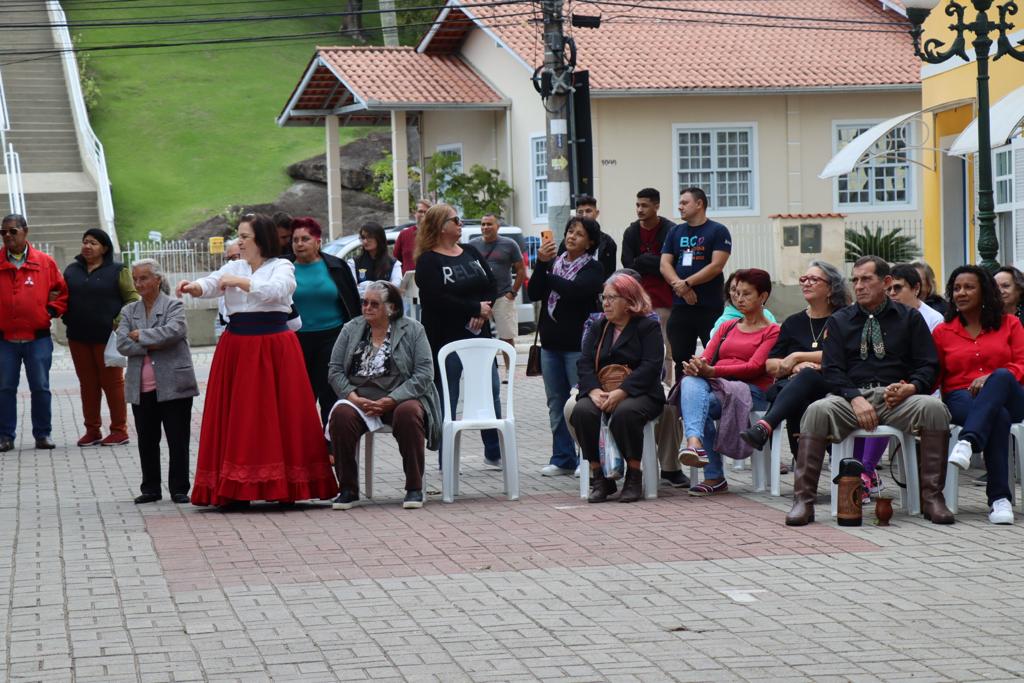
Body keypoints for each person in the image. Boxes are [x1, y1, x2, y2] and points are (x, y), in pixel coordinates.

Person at [177, 213, 338, 508]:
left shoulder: (282, 266)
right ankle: (237, 487)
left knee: (281, 413)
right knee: (241, 416)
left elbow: (277, 291)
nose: (239, 241)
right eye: (239, 236)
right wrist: (192, 286)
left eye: (244, 236)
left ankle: (287, 484)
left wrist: (240, 281)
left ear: (260, 239)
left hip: (274, 345)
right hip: (238, 346)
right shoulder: (233, 265)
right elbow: (211, 284)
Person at [786, 256, 954, 526]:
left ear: (886, 282)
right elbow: (832, 370)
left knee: (934, 409)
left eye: (866, 279)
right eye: (855, 280)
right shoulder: (840, 320)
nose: (859, 286)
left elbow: (928, 365)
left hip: (896, 398)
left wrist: (911, 387)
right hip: (851, 397)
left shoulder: (909, 318)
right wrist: (855, 398)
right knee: (816, 411)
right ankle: (803, 502)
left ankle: (932, 499)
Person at [326, 281, 441, 510]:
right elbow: (335, 370)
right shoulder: (351, 329)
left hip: (400, 397)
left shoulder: (414, 330)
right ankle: (347, 489)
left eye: (374, 304)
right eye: (364, 303)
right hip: (361, 400)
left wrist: (392, 400)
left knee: (409, 414)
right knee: (341, 415)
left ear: (392, 308)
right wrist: (353, 397)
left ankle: (414, 487)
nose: (367, 308)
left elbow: (424, 374)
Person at [414, 203, 503, 467]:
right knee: (447, 398)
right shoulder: (429, 260)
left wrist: (484, 308)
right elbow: (434, 298)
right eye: (456, 220)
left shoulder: (472, 251)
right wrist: (472, 307)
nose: (461, 223)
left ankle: (495, 451)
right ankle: (447, 459)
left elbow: (491, 283)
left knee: (491, 392)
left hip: (480, 337)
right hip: (446, 340)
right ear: (442, 227)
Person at [934, 265, 1024, 525]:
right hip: (961, 397)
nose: (961, 293)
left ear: (985, 292)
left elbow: (1020, 364)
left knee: (1003, 376)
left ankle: (968, 441)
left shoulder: (1011, 324)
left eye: (969, 287)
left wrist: (991, 378)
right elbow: (936, 373)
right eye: (956, 288)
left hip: (1012, 394)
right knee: (998, 416)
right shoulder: (943, 331)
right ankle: (999, 500)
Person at [677, 268, 779, 496]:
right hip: (719, 385)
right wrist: (697, 365)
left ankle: (713, 476)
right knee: (691, 383)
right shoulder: (727, 326)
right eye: (736, 293)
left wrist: (711, 371)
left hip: (753, 390)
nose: (739, 299)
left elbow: (755, 367)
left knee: (697, 402)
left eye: (746, 294)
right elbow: (707, 356)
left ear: (763, 297)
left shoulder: (772, 331)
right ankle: (694, 444)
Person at [571, 273, 665, 503]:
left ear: (629, 300)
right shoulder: (599, 327)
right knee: (582, 412)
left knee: (626, 413)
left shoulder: (647, 326)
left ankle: (634, 475)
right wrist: (593, 391)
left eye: (612, 298)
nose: (606, 303)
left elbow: (651, 366)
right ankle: (600, 477)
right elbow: (584, 363)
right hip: (601, 390)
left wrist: (622, 392)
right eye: (604, 297)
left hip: (640, 392)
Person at [740, 262, 849, 460]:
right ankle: (814, 459)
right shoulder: (793, 322)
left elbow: (840, 354)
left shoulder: (844, 318)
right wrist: (795, 366)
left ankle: (768, 428)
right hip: (796, 386)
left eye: (814, 279)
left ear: (831, 287)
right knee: (800, 390)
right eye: (803, 279)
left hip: (834, 382)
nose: (806, 283)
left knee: (803, 378)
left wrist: (797, 357)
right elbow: (771, 365)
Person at [116, 259, 198, 505]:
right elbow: (122, 343)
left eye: (143, 278)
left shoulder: (174, 305)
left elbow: (175, 332)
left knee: (177, 439)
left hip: (174, 384)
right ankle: (151, 488)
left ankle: (179, 488)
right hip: (141, 387)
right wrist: (153, 343)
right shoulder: (129, 311)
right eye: (136, 279)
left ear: (157, 279)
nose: (138, 284)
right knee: (147, 440)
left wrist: (141, 336)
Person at [528, 216, 604, 476]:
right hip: (550, 345)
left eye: (579, 234)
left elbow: (574, 291)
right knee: (556, 402)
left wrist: (548, 273)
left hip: (578, 347)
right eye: (570, 231)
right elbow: (534, 292)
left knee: (581, 402)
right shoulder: (554, 263)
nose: (571, 237)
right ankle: (563, 457)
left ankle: (589, 458)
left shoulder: (593, 268)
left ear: (589, 242)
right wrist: (541, 264)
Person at [63, 228, 140, 447]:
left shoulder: (118, 270)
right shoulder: (72, 270)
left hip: (108, 338)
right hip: (78, 336)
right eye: (85, 242)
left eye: (93, 243)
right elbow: (60, 295)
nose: (87, 246)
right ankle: (92, 430)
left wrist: (118, 321)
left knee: (113, 384)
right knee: (87, 385)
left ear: (104, 248)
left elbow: (132, 298)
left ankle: (119, 430)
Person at [0, 214, 68, 452]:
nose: (7, 236)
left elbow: (62, 292)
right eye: (3, 232)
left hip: (37, 338)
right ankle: (4, 436)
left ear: (25, 231)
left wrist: (50, 310)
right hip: (4, 340)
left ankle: (43, 434)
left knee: (40, 387)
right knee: (4, 388)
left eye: (12, 231)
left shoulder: (45, 262)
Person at [288, 216, 361, 424]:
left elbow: (353, 304)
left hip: (332, 339)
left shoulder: (336, 267)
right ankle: (303, 448)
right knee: (300, 398)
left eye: (305, 239)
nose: (299, 244)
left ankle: (331, 448)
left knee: (331, 395)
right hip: (296, 341)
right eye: (295, 240)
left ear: (318, 242)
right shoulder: (283, 268)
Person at [660, 187, 731, 378]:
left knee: (713, 358)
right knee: (681, 360)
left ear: (699, 204)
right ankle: (681, 402)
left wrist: (688, 283)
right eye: (680, 203)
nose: (680, 207)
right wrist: (681, 287)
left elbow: (716, 266)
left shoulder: (718, 231)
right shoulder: (675, 232)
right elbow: (664, 264)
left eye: (685, 202)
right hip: (681, 307)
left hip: (709, 308)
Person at [622, 188, 676, 382]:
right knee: (639, 349)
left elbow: (671, 264)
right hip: (638, 302)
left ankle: (666, 388)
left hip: (664, 300)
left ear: (656, 206)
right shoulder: (631, 232)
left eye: (644, 205)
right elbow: (628, 264)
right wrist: (656, 261)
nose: (640, 210)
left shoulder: (670, 230)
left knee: (666, 351)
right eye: (637, 205)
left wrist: (644, 260)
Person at [470, 213, 526, 381]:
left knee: (506, 336)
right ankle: (484, 370)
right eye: (483, 224)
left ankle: (510, 372)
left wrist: (513, 293)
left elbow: (521, 270)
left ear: (497, 227)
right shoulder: (473, 245)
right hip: (481, 299)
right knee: (479, 335)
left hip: (503, 296)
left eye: (489, 224)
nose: (485, 227)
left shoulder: (509, 244)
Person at [709, 271, 778, 338]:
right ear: (728, 291)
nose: (739, 297)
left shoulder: (768, 315)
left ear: (762, 296)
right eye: (734, 290)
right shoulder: (723, 323)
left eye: (746, 293)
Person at [348, 221, 401, 295]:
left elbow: (395, 289)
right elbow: (352, 289)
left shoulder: (394, 264)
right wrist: (384, 287)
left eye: (369, 237)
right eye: (363, 237)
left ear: (379, 238)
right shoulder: (353, 263)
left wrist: (364, 285)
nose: (365, 241)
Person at [887, 263, 944, 330]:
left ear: (916, 288)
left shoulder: (934, 319)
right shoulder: (883, 316)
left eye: (898, 287)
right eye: (889, 289)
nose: (892, 293)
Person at [573, 195, 618, 276]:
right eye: (580, 212)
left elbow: (609, 275)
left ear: (596, 213)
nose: (584, 215)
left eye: (588, 211)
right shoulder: (569, 240)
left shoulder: (608, 242)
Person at [214, 239, 241, 341]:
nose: (230, 263)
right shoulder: (225, 277)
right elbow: (221, 315)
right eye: (228, 259)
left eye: (234, 258)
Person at [395, 200, 430, 275]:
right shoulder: (403, 234)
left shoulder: (436, 234)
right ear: (415, 213)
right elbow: (397, 259)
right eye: (420, 211)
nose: (423, 215)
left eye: (426, 212)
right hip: (409, 282)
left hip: (430, 280)